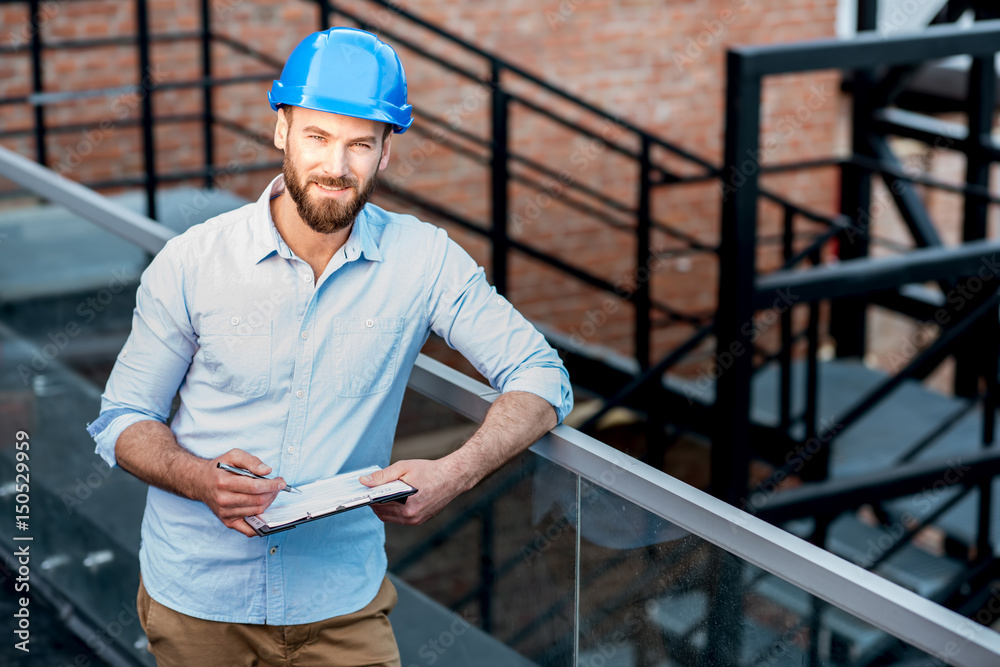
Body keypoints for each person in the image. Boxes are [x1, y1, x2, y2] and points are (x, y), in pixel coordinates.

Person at [86, 27, 573, 667]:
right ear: (281, 129)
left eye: (359, 146)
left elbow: (542, 375)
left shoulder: (424, 260)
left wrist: (453, 473)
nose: (336, 168)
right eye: (317, 137)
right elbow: (123, 420)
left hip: (341, 603)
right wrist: (200, 480)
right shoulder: (192, 262)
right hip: (201, 602)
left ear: (385, 153)